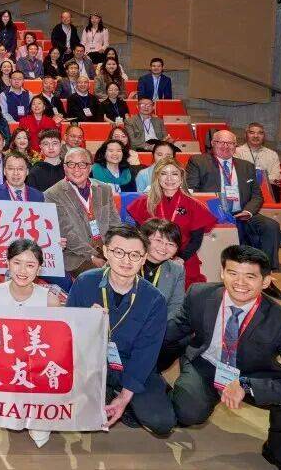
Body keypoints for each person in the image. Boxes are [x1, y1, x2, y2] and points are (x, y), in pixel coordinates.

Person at [165, 245, 281, 470]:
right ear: (222, 273)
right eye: (233, 273)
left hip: (252, 374)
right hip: (206, 365)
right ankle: (180, 397)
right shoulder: (199, 295)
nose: (240, 282)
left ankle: (276, 452)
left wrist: (246, 385)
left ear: (266, 281)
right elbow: (172, 330)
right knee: (188, 412)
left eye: (250, 276)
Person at [65, 224, 175, 436]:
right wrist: (88, 323)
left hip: (132, 364)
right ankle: (106, 393)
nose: (126, 261)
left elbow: (146, 351)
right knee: (80, 416)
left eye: (135, 255)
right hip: (92, 362)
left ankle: (126, 394)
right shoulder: (85, 282)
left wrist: (125, 397)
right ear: (106, 252)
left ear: (144, 258)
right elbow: (69, 336)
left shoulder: (154, 299)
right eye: (119, 252)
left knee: (162, 423)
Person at [0, 238, 60, 446]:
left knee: (39, 433)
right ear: (7, 263)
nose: (23, 270)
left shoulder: (50, 300)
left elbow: (55, 346)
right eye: (17, 262)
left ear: (39, 268)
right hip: (3, 366)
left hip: (36, 370)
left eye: (30, 265)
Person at [188, 130, 281, 298]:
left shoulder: (246, 166)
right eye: (221, 142)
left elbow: (257, 196)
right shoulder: (198, 162)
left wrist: (248, 211)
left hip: (242, 212)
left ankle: (265, 277)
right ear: (213, 144)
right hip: (213, 213)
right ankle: (230, 278)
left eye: (230, 143)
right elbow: (192, 192)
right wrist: (211, 208)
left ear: (235, 146)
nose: (226, 146)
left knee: (271, 226)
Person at [129, 157, 216, 287]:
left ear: (181, 178)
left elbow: (196, 241)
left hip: (182, 259)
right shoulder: (144, 203)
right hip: (150, 258)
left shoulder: (194, 205)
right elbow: (140, 236)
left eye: (174, 174)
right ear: (157, 177)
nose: (169, 178)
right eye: (164, 173)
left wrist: (180, 258)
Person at [44, 147, 121, 275]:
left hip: (107, 248)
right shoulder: (52, 194)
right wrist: (92, 256)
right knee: (101, 276)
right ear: (64, 167)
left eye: (82, 164)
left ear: (90, 167)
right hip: (77, 255)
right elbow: (67, 233)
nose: (76, 169)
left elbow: (115, 224)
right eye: (71, 164)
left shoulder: (104, 189)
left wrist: (114, 250)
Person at [136, 219, 187, 371]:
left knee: (182, 338)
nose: (164, 248)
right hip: (126, 322)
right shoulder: (128, 261)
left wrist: (156, 327)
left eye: (171, 244)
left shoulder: (176, 270)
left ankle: (151, 370)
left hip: (156, 326)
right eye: (158, 240)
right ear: (144, 239)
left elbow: (176, 305)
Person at [236, 122, 281, 202]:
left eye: (260, 133)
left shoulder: (272, 154)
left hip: (267, 192)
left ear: (264, 136)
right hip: (244, 192)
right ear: (246, 135)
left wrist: (257, 182)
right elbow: (238, 176)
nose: (256, 136)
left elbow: (276, 177)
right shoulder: (237, 152)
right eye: (252, 132)